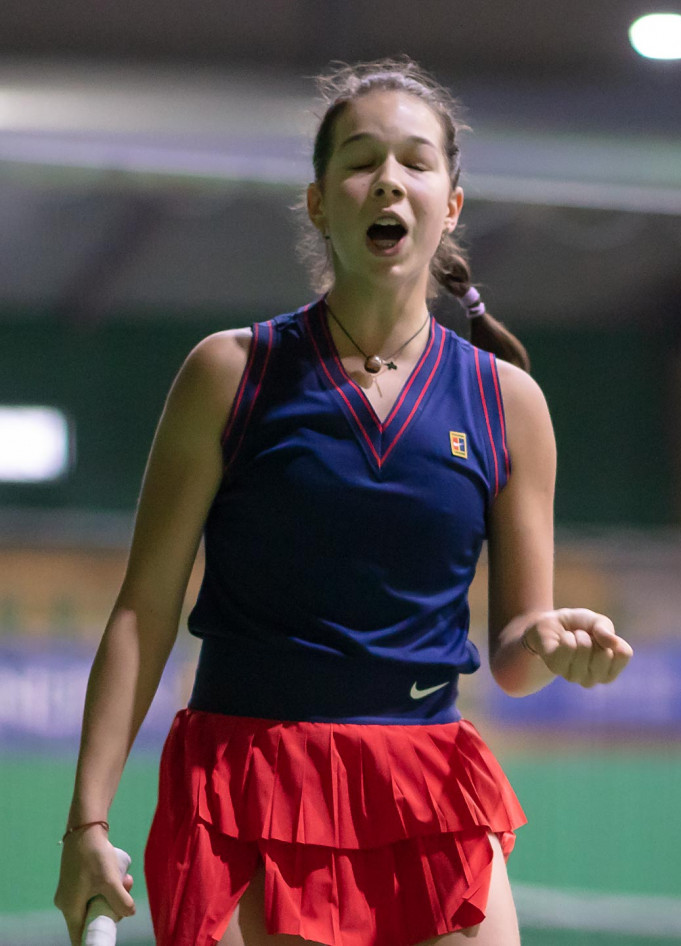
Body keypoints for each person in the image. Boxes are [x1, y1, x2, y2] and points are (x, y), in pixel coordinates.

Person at [54, 56, 633, 946]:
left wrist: (552, 639)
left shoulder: (508, 402)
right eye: (361, 161)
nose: (389, 180)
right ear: (320, 202)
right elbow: (144, 609)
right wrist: (86, 824)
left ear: (451, 204)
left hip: (428, 781)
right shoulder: (231, 373)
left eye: (416, 162)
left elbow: (514, 657)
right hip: (254, 777)